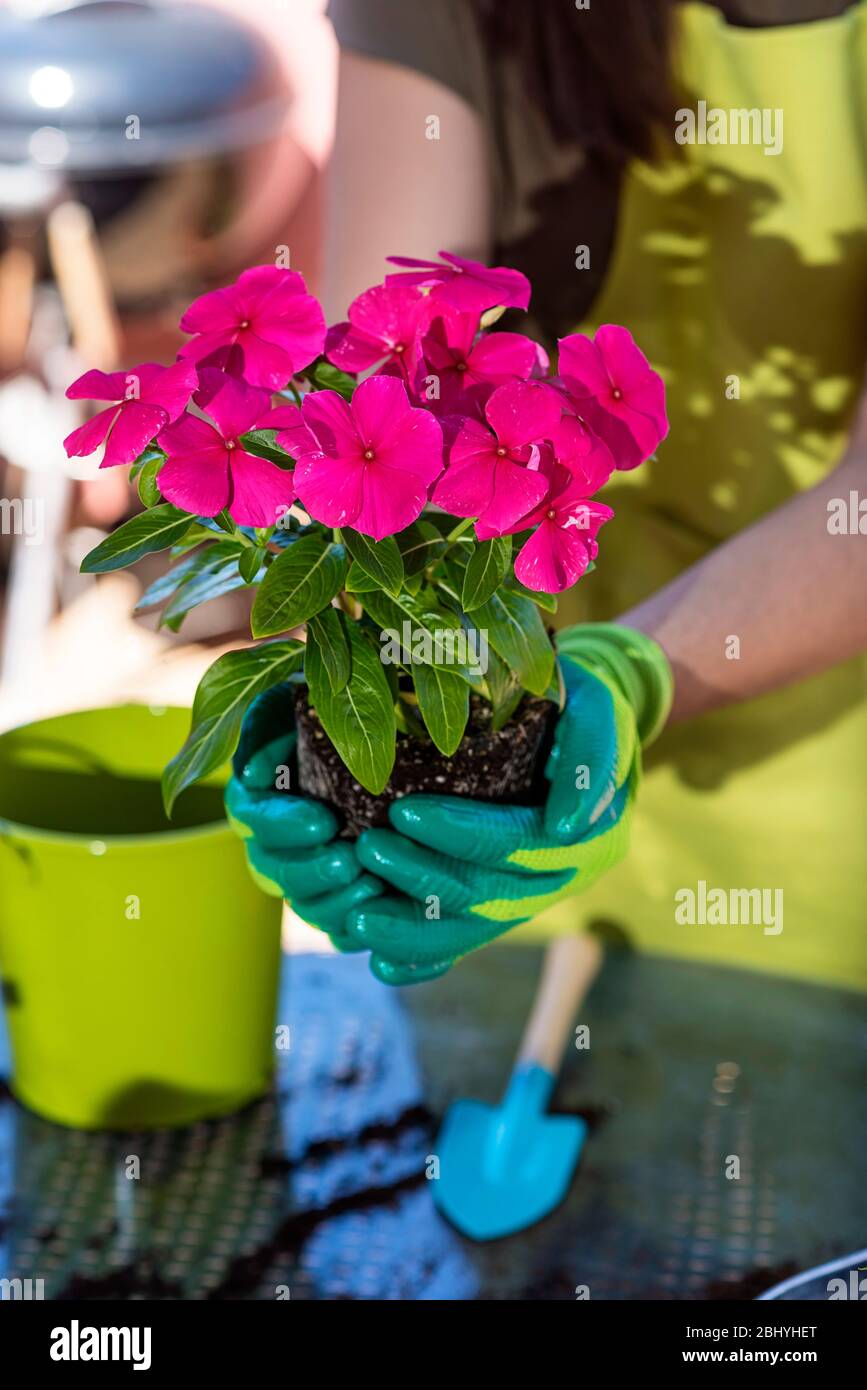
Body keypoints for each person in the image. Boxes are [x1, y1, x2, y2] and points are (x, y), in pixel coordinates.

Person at [229, 0, 867, 989]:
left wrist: (630, 677)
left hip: (820, 856)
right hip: (488, 822)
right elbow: (379, 401)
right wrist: (339, 695)